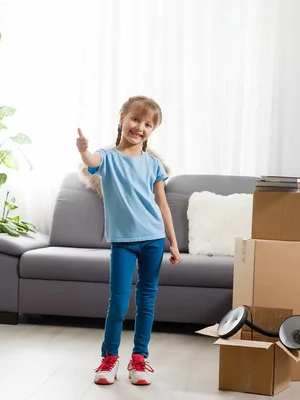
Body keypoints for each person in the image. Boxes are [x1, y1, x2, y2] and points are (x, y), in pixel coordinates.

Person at [76, 95, 181, 386]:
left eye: (148, 124)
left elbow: (162, 205)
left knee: (147, 301)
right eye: (136, 119)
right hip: (123, 241)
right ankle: (109, 359)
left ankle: (139, 360)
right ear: (122, 117)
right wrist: (84, 151)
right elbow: (92, 161)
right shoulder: (107, 158)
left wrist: (173, 243)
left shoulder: (153, 165)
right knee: (119, 302)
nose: (141, 127)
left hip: (153, 238)